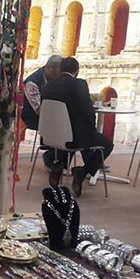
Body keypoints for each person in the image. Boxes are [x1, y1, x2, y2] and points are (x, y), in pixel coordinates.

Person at [41, 57, 114, 196]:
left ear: (60, 69)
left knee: (72, 137)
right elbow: (88, 111)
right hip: (72, 137)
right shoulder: (79, 84)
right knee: (106, 144)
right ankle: (82, 172)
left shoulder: (47, 86)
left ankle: (59, 166)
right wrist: (92, 129)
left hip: (50, 136)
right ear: (76, 71)